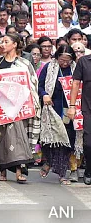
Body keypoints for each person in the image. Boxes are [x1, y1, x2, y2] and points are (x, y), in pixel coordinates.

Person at [0, 32, 40, 183]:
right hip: (1, 107)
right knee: (2, 138)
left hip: (19, 106)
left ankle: (19, 171)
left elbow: (32, 84)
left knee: (18, 137)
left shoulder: (24, 64)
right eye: (1, 42)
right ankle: (3, 171)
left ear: (15, 44)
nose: (3, 45)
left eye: (6, 42)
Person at [37, 45, 76, 185]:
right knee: (52, 140)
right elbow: (39, 86)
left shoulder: (76, 68)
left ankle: (62, 173)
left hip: (69, 109)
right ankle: (48, 162)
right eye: (62, 60)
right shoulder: (49, 67)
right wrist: (45, 95)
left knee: (66, 140)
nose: (65, 63)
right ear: (57, 57)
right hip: (52, 108)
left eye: (68, 61)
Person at [67, 47, 91, 185]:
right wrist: (72, 106)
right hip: (88, 108)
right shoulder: (84, 61)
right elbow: (75, 83)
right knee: (88, 143)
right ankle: (88, 170)